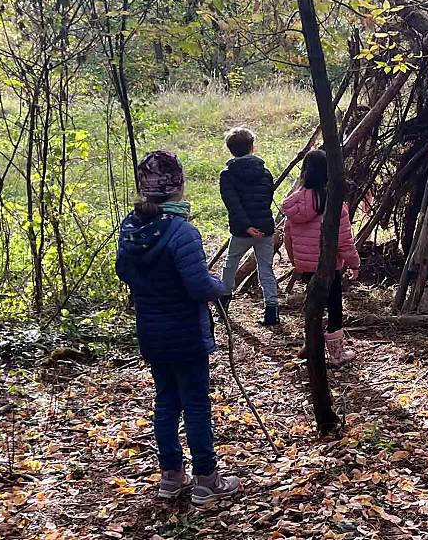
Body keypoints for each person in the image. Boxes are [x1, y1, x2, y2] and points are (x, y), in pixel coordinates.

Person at [115, 150, 240, 504]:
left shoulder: (131, 226)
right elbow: (198, 285)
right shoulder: (182, 231)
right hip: (185, 331)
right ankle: (206, 479)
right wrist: (220, 285)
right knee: (196, 403)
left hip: (152, 332)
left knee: (166, 402)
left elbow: (124, 270)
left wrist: (153, 287)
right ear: (179, 186)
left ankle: (170, 477)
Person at [281, 149, 361, 366]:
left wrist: (296, 261)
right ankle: (336, 355)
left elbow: (288, 237)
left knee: (313, 303)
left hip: (306, 265)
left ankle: (312, 343)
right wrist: (354, 263)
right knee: (334, 306)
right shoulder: (334, 205)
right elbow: (344, 241)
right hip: (329, 266)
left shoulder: (294, 203)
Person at [219, 127, 280, 326]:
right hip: (265, 228)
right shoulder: (265, 172)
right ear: (252, 147)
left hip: (241, 230)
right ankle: (272, 310)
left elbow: (233, 204)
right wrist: (258, 225)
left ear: (230, 150)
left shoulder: (227, 175)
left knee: (230, 263)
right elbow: (266, 199)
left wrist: (246, 227)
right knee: (266, 268)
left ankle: (223, 301)